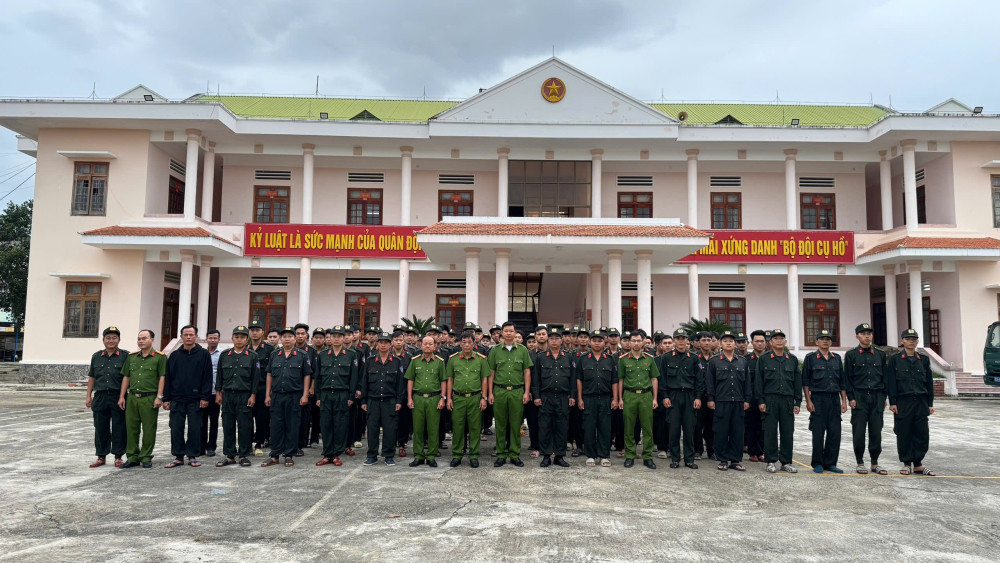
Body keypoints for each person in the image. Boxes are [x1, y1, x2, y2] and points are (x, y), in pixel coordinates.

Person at [887, 328, 936, 476]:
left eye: (914, 339)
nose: (911, 341)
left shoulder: (924, 359)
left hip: (921, 401)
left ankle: (918, 464)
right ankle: (907, 463)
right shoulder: (895, 359)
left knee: (922, 433)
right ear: (902, 341)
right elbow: (891, 383)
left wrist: (930, 403)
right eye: (908, 339)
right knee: (904, 432)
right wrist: (893, 402)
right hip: (903, 401)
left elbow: (929, 383)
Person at [163, 325, 213, 468]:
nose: (189, 337)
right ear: (181, 337)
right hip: (177, 398)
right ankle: (178, 456)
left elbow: (207, 377)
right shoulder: (174, 355)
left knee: (195, 428)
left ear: (196, 336)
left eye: (191, 334)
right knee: (176, 427)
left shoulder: (203, 354)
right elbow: (168, 377)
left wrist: (205, 397)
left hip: (196, 399)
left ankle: (192, 455)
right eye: (186, 334)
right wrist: (166, 398)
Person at [262, 327, 313, 468]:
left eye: (290, 336)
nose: (287, 339)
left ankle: (289, 454)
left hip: (294, 396)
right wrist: (267, 394)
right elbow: (269, 375)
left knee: (292, 425)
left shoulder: (302, 355)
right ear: (280, 339)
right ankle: (275, 455)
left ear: (295, 338)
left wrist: (305, 394)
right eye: (284, 336)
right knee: (276, 426)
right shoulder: (274, 354)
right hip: (277, 395)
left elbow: (307, 375)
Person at [487, 321, 534, 468]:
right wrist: (490, 393)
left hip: (516, 391)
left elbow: (527, 371)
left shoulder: (522, 350)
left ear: (515, 333)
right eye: (506, 331)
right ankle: (501, 454)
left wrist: (526, 392)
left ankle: (514, 454)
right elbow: (491, 373)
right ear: (502, 333)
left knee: (515, 424)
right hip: (499, 391)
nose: (508, 333)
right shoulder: (495, 351)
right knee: (500, 424)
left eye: (511, 331)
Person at [118, 329, 166, 469]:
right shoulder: (131, 357)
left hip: (149, 398)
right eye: (139, 338)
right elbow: (126, 377)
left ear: (152, 340)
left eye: (144, 338)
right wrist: (122, 396)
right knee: (131, 428)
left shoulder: (159, 357)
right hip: (132, 397)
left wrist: (159, 397)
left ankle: (145, 456)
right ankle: (132, 456)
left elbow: (162, 377)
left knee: (149, 428)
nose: (141, 341)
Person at [844, 322, 888, 475]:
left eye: (869, 333)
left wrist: (884, 398)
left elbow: (885, 378)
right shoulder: (851, 355)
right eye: (863, 333)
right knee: (859, 431)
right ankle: (860, 462)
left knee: (876, 431)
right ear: (857, 336)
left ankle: (875, 462)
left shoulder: (880, 354)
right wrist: (851, 397)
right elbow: (847, 379)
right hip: (859, 397)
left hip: (877, 397)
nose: (867, 336)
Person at [755, 329, 801, 473]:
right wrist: (760, 401)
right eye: (776, 339)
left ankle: (786, 461)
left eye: (782, 338)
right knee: (770, 432)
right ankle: (770, 461)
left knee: (787, 431)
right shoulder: (764, 359)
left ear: (785, 342)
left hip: (787, 400)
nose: (779, 341)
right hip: (770, 399)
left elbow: (797, 382)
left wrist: (798, 402)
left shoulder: (792, 359)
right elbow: (758, 381)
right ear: (771, 342)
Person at [704, 331, 751, 471]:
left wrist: (747, 399)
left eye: (731, 340)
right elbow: (709, 382)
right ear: (720, 344)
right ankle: (723, 459)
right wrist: (710, 399)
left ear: (735, 343)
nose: (728, 343)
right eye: (725, 341)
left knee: (737, 431)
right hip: (721, 401)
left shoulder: (742, 361)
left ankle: (736, 460)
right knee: (721, 431)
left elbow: (747, 383)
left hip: (738, 401)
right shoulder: (714, 361)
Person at [802, 329, 848, 474]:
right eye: (822, 339)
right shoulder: (811, 358)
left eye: (828, 339)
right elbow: (805, 382)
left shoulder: (836, 358)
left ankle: (831, 463)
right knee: (818, 432)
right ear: (817, 342)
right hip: (818, 399)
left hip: (834, 399)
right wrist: (808, 401)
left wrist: (844, 401)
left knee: (835, 433)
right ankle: (817, 463)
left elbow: (842, 381)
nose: (825, 341)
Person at [215, 325, 261, 467]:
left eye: (242, 337)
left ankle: (243, 455)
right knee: (228, 425)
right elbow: (220, 376)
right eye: (236, 337)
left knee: (244, 426)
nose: (239, 340)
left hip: (244, 395)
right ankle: (229, 455)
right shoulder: (225, 355)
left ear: (247, 339)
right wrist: (218, 393)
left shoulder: (253, 356)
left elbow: (255, 378)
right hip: (228, 395)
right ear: (232, 338)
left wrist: (253, 395)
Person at [657, 328, 702, 469]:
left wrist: (698, 397)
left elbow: (699, 381)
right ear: (674, 340)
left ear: (688, 341)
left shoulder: (694, 358)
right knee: (674, 429)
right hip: (673, 396)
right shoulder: (666, 357)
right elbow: (662, 379)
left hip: (689, 396)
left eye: (683, 338)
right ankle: (675, 458)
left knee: (689, 429)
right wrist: (664, 396)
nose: (681, 341)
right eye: (678, 338)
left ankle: (689, 459)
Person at [315, 326, 359, 467]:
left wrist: (351, 397)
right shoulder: (322, 355)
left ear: (343, 338)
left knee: (340, 425)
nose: (336, 339)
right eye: (333, 336)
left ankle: (336, 454)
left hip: (342, 394)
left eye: (339, 336)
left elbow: (353, 378)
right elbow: (317, 377)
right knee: (326, 425)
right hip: (326, 394)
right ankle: (327, 454)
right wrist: (318, 396)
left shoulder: (351, 354)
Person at [531, 327, 576, 467]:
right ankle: (546, 455)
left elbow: (573, 379)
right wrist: (537, 396)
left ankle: (559, 455)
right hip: (546, 397)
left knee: (561, 427)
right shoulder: (541, 357)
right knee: (545, 426)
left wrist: (572, 396)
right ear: (548, 340)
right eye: (552, 338)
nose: (554, 341)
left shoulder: (568, 357)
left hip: (563, 397)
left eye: (557, 338)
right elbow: (536, 379)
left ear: (562, 340)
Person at [361, 332, 406, 466]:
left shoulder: (397, 362)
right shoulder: (370, 361)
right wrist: (363, 401)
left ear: (390, 344)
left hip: (389, 401)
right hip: (373, 400)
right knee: (372, 429)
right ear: (377, 344)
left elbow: (400, 384)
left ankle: (388, 455)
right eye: (381, 342)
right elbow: (364, 382)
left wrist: (399, 401)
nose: (383, 345)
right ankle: (372, 455)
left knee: (390, 429)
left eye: (386, 342)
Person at [86, 326, 129, 468]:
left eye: (114, 338)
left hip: (118, 396)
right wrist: (88, 396)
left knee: (119, 427)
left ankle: (118, 456)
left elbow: (126, 377)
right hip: (100, 396)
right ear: (103, 340)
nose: (111, 340)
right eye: (108, 338)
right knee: (100, 427)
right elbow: (92, 377)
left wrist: (122, 396)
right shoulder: (96, 356)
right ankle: (101, 456)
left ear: (119, 340)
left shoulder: (125, 356)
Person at [447, 332, 491, 467]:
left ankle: (474, 455)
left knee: (474, 427)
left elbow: (484, 379)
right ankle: (457, 454)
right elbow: (450, 379)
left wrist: (484, 397)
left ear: (474, 344)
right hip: (458, 398)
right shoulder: (453, 359)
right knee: (458, 427)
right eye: (464, 342)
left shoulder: (481, 359)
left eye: (469, 342)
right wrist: (448, 398)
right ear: (460, 344)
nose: (466, 345)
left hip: (475, 397)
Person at [576, 329, 618, 467]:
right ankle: (590, 455)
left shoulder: (610, 360)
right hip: (588, 398)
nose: (597, 343)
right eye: (594, 340)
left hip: (605, 398)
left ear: (604, 343)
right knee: (589, 427)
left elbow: (614, 381)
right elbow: (579, 380)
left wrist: (615, 399)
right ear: (589, 342)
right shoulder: (583, 359)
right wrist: (580, 398)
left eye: (600, 341)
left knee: (605, 428)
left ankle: (604, 455)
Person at [618, 332, 659, 469]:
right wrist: (620, 399)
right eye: (633, 341)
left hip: (646, 396)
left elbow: (654, 379)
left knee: (647, 427)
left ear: (643, 342)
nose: (636, 343)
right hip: (629, 395)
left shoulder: (650, 359)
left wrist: (655, 398)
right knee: (629, 427)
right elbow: (621, 380)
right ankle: (630, 455)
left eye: (638, 341)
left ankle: (647, 456)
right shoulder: (623, 359)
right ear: (629, 342)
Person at [404, 336, 447, 467]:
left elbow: (443, 381)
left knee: (433, 428)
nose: (427, 346)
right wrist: (410, 398)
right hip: (418, 398)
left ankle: (431, 456)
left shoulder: (439, 362)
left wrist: (442, 398)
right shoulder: (415, 361)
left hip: (434, 398)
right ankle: (418, 455)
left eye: (430, 344)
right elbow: (410, 380)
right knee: (418, 428)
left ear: (435, 346)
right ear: (421, 345)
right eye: (425, 344)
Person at [249, 320, 273, 454]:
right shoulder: (245, 348)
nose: (254, 332)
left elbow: (271, 372)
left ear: (262, 332)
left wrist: (269, 392)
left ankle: (259, 443)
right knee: (247, 417)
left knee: (261, 417)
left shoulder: (269, 349)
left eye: (257, 330)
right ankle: (248, 443)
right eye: (252, 330)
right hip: (247, 388)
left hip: (263, 387)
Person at [294, 323, 319, 455]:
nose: (299, 336)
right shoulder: (289, 349)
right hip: (291, 388)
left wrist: (312, 387)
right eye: (297, 333)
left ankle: (301, 443)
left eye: (302, 334)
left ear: (307, 336)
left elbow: (314, 372)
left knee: (304, 417)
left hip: (305, 389)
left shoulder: (312, 351)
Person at [743, 330, 767, 462]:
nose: (760, 344)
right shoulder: (746, 360)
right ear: (752, 343)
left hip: (766, 397)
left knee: (764, 426)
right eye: (757, 341)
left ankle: (762, 451)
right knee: (751, 425)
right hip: (751, 397)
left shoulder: (770, 358)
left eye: (762, 341)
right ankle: (752, 452)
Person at [201, 329, 222, 457]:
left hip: (215, 393)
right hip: (202, 393)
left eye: (215, 338)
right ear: (206, 339)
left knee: (214, 422)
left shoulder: (222, 354)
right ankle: (201, 446)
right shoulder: (202, 353)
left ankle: (211, 447)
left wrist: (220, 392)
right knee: (201, 422)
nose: (213, 340)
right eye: (211, 338)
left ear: (219, 339)